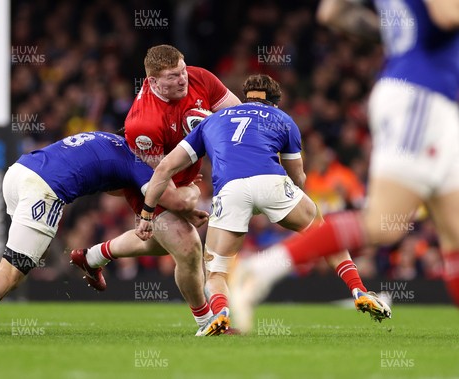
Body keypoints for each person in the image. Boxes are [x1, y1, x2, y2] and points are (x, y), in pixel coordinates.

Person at [228, 0, 459, 333]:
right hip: (423, 94)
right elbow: (447, 14)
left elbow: (331, 13)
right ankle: (263, 268)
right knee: (384, 224)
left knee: (453, 237)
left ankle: (261, 268)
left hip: (422, 93)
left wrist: (400, 32)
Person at [134, 73, 390, 327]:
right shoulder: (282, 119)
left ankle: (221, 312)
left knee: (216, 271)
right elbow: (298, 176)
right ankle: (358, 290)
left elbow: (165, 167)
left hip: (229, 189)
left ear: (245, 98)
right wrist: (294, 203)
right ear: (275, 102)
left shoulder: (211, 121)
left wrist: (147, 212)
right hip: (272, 182)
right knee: (323, 232)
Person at [0, 131, 212, 335]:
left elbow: (101, 175)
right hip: (45, 191)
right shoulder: (139, 163)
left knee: (15, 266)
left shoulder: (104, 138)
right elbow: (168, 197)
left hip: (19, 173)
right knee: (9, 274)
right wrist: (192, 197)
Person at [70, 44, 241, 335]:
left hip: (183, 175)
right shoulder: (143, 123)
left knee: (162, 241)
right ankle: (207, 324)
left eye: (183, 71)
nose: (183, 79)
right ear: (152, 82)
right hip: (149, 183)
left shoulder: (201, 78)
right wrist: (189, 202)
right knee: (187, 247)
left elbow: (237, 116)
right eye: (173, 76)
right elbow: (163, 183)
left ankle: (92, 256)